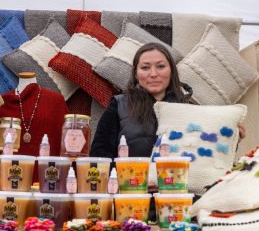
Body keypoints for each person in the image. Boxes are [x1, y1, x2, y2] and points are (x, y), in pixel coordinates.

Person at [91, 43, 245, 158]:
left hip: (176, 188)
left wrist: (230, 138)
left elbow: (205, 154)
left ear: (171, 71)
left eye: (160, 66)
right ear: (136, 74)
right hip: (131, 188)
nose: (153, 74)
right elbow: (100, 155)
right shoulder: (119, 105)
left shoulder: (189, 108)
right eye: (145, 68)